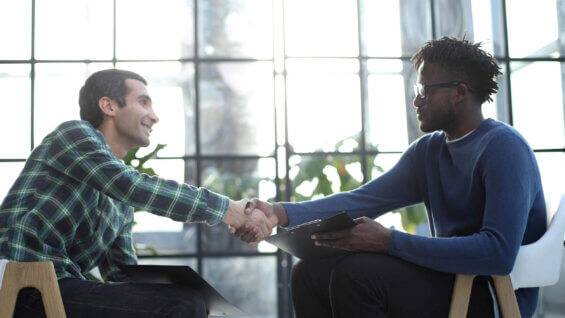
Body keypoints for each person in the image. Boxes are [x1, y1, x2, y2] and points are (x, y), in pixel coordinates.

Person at [239, 37, 547, 317]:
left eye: (425, 90)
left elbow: (497, 253)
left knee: (356, 274)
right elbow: (364, 200)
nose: (416, 100)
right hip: (448, 279)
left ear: (460, 92)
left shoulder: (504, 148)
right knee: (307, 274)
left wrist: (390, 242)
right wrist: (279, 212)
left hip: (491, 294)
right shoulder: (428, 151)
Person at [0, 69, 273, 317]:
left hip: (60, 288)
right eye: (143, 102)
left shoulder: (120, 204)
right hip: (21, 284)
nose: (154, 116)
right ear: (108, 106)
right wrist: (227, 210)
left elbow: (122, 273)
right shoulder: (74, 135)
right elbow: (130, 186)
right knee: (182, 304)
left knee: (188, 300)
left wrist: (187, 286)